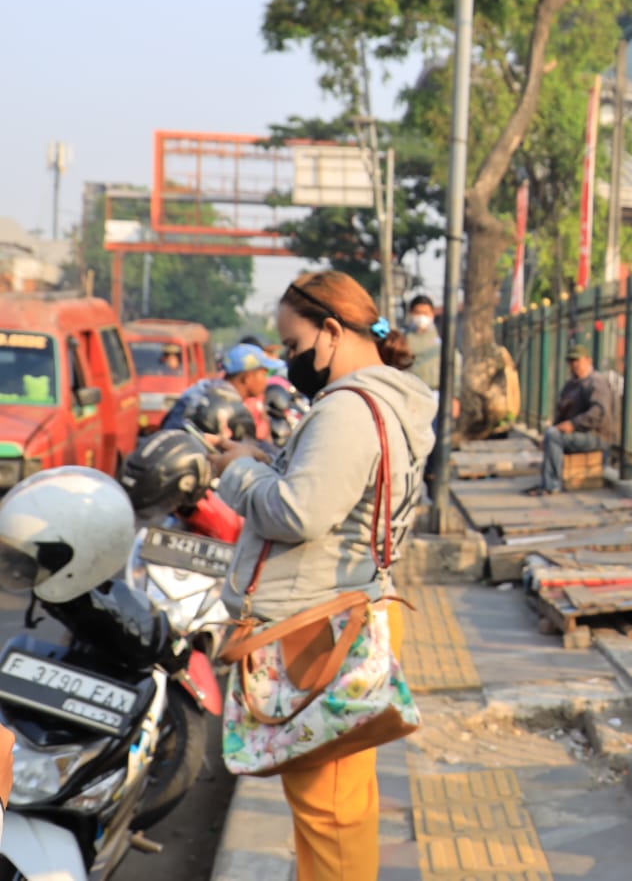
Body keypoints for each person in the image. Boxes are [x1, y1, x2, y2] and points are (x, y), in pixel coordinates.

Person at [208, 271, 436, 881]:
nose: (287, 361)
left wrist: (236, 474)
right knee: (336, 809)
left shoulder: (347, 410)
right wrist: (261, 461)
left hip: (322, 628)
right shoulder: (383, 402)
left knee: (329, 815)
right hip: (346, 614)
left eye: (292, 344)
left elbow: (299, 513)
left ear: (331, 332)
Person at [531, 344, 617, 495]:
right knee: (551, 434)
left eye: (577, 360)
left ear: (588, 361)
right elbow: (561, 413)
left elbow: (598, 413)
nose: (574, 365)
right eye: (571, 361)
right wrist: (555, 429)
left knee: (554, 437)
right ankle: (548, 482)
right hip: (577, 434)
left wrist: (574, 424)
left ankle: (552, 484)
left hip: (596, 435)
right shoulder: (571, 385)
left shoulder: (596, 382)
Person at [160, 343, 272, 437]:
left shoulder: (200, 390)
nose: (266, 380)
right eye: (263, 374)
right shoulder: (232, 410)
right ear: (247, 378)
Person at [404, 294, 441, 389]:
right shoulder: (403, 339)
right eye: (417, 313)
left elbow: (455, 365)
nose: (421, 317)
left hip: (436, 391)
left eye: (425, 313)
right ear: (411, 313)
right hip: (411, 391)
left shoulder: (442, 336)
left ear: (432, 314)